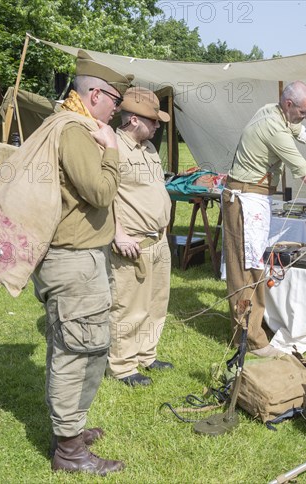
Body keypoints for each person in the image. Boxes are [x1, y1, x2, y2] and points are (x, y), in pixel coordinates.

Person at [31, 50, 132, 475]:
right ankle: (69, 451)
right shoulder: (75, 130)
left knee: (86, 345)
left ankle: (70, 431)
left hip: (79, 258)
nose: (116, 109)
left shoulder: (74, 124)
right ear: (94, 95)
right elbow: (101, 193)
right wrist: (111, 152)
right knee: (76, 351)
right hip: (73, 261)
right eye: (114, 100)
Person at [222, 81, 306, 358]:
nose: (304, 117)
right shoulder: (274, 127)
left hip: (254, 197)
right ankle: (249, 338)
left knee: (254, 265)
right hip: (245, 200)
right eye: (303, 112)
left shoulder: (277, 114)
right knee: (247, 270)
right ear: (288, 105)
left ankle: (252, 329)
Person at [105, 87, 173, 386]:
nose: (157, 126)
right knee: (128, 308)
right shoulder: (111, 148)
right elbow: (103, 197)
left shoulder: (149, 149)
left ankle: (146, 354)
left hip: (158, 241)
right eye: (153, 121)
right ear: (133, 120)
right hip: (132, 243)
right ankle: (122, 365)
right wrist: (118, 234)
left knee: (157, 303)